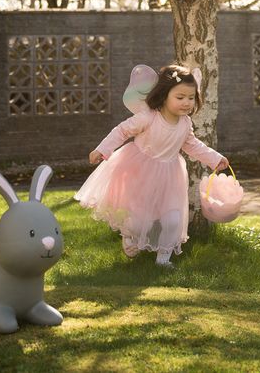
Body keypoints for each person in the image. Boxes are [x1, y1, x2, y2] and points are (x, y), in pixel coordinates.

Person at [74, 64, 229, 268]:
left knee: (173, 219)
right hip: (140, 171)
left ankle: (163, 258)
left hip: (170, 175)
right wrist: (103, 150)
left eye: (191, 98)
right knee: (138, 220)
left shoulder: (185, 123)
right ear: (164, 95)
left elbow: (193, 145)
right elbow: (122, 131)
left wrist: (215, 159)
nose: (186, 103)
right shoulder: (148, 117)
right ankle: (130, 235)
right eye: (180, 97)